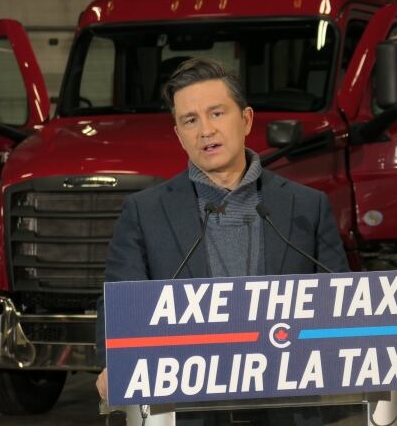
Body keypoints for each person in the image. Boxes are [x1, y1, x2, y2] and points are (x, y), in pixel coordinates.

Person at [95, 58, 354, 425]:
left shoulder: (306, 207)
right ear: (179, 134)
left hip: (287, 409)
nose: (205, 130)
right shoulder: (144, 211)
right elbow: (118, 301)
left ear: (245, 119)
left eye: (216, 113)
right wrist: (113, 362)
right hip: (185, 411)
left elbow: (342, 302)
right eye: (190, 120)